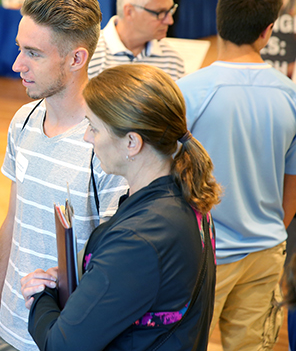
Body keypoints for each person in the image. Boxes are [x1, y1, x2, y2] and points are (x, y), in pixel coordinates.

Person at [0, 0, 127, 351]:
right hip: (9, 329)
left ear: (76, 59)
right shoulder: (22, 120)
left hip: (68, 338)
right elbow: (13, 223)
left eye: (33, 53)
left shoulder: (108, 144)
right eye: (18, 49)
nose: (16, 65)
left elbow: (113, 266)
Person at [21, 64, 220, 350]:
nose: (87, 137)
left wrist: (41, 297)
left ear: (131, 142)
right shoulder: (186, 196)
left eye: (93, 127)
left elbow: (60, 345)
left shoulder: (139, 238)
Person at [177, 0, 296, 351]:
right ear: (268, 31)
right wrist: (269, 231)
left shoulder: (187, 93)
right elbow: (292, 184)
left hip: (201, 257)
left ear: (219, 19)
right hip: (265, 252)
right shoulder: (291, 96)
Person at [87, 0, 185, 80]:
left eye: (171, 10)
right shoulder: (88, 56)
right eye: (160, 13)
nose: (169, 21)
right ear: (129, 12)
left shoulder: (172, 61)